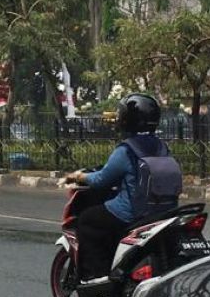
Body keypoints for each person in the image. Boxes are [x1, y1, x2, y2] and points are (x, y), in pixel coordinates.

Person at [65, 93, 182, 286]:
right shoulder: (162, 147)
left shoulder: (126, 150)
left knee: (86, 220)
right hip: (163, 212)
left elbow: (101, 179)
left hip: (131, 213)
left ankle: (98, 274)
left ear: (127, 120)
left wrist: (80, 176)